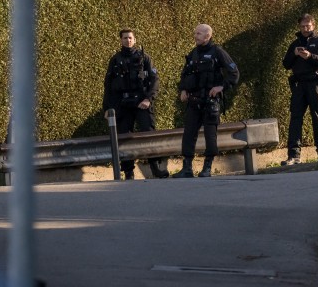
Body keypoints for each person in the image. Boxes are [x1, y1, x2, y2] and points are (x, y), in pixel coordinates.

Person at [173, 24, 240, 178]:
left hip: (210, 102)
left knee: (210, 136)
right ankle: (187, 168)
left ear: (207, 36)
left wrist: (221, 87)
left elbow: (234, 73)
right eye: (195, 32)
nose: (195, 36)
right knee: (189, 134)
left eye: (199, 33)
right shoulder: (193, 53)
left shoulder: (218, 52)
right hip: (194, 100)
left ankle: (207, 167)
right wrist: (183, 90)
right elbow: (185, 74)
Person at [103, 29, 168, 179]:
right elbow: (108, 85)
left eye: (130, 38)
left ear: (135, 40)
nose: (128, 40)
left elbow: (154, 80)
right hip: (123, 104)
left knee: (148, 133)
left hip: (142, 102)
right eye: (125, 38)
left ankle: (155, 168)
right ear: (121, 40)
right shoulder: (115, 59)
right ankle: (128, 172)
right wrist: (107, 108)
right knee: (124, 137)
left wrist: (148, 99)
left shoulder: (144, 58)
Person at [281, 13, 318, 165]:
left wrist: (310, 56)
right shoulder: (295, 44)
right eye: (303, 26)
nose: (305, 28)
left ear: (313, 25)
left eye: (308, 26)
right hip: (298, 85)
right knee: (295, 119)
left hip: (315, 83)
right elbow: (286, 64)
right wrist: (295, 54)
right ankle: (293, 155)